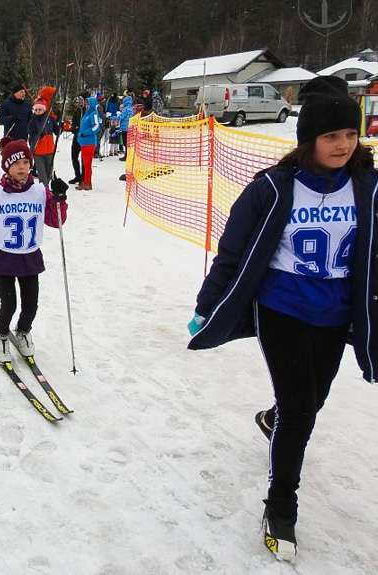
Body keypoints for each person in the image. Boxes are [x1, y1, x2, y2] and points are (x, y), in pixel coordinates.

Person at [187, 76, 376, 564]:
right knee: (300, 410)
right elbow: (233, 250)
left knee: (312, 402)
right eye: (331, 136)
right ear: (309, 139)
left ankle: (273, 420)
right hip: (282, 309)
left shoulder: (367, 186)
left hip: (336, 314)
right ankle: (280, 508)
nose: (343, 145)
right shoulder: (274, 188)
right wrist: (208, 303)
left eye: (350, 135)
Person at [0, 137, 68, 362]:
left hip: (30, 256)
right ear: (6, 167)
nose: (21, 167)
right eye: (15, 163)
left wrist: (59, 198)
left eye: (25, 162)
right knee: (9, 303)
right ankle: (1, 335)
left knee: (31, 304)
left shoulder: (40, 191)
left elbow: (55, 220)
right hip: (4, 256)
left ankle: (23, 331)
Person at [27, 98, 59, 187]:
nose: (37, 111)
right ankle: (44, 190)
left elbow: (57, 130)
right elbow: (31, 134)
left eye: (40, 109)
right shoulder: (32, 121)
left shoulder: (49, 119)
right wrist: (38, 136)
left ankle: (46, 188)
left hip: (49, 150)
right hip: (38, 151)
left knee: (49, 172)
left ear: (44, 109)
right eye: (36, 110)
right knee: (42, 174)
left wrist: (61, 127)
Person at [76, 96, 102, 190]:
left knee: (87, 163)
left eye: (88, 103)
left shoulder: (94, 113)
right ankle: (86, 181)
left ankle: (88, 183)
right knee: (85, 163)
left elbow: (96, 127)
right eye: (86, 104)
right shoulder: (87, 114)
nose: (86, 105)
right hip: (84, 142)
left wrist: (85, 133)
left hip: (89, 142)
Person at [69, 94, 88, 183]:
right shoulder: (78, 109)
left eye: (82, 99)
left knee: (84, 158)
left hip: (84, 137)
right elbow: (74, 120)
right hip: (76, 136)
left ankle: (83, 177)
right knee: (74, 156)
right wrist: (73, 128)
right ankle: (77, 175)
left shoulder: (88, 110)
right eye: (79, 99)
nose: (80, 101)